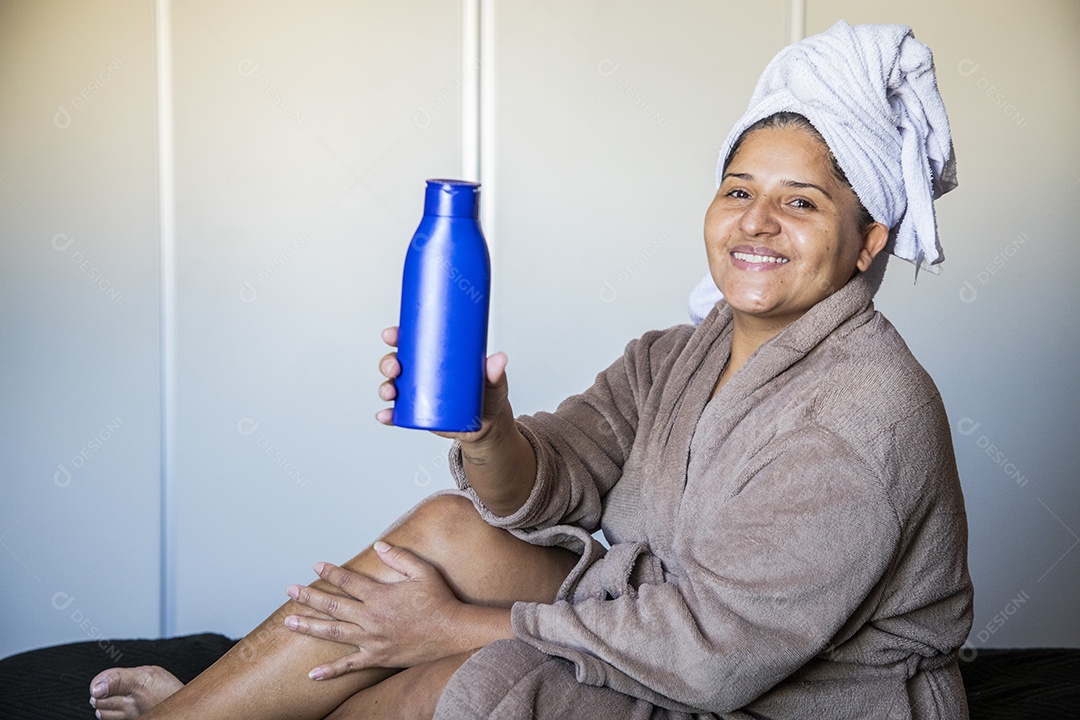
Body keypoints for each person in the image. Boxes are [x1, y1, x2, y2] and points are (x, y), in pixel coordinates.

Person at [87, 20, 973, 720]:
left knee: (455, 684)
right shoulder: (678, 354)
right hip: (659, 622)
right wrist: (487, 426)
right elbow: (559, 476)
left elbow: (717, 655)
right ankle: (206, 714)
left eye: (802, 202)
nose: (756, 221)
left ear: (868, 243)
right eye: (739, 189)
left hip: (782, 695)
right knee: (442, 528)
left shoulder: (865, 408)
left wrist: (444, 631)